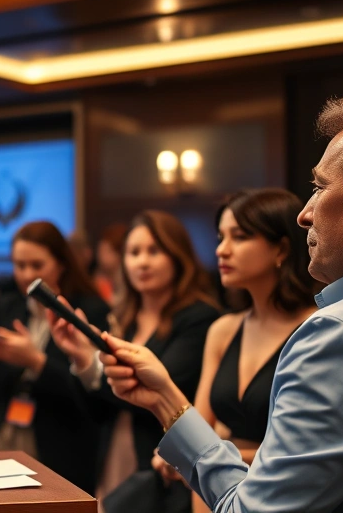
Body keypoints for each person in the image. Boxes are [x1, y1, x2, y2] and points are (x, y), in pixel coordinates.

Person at [97, 92, 343, 512]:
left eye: (320, 188)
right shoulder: (229, 327)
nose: (306, 212)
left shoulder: (341, 335)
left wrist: (166, 403)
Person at [150, 189, 318, 513]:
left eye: (239, 237)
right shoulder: (223, 330)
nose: (221, 250)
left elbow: (308, 450)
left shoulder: (317, 329)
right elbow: (200, 429)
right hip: (217, 492)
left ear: (282, 247)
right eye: (220, 237)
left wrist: (208, 453)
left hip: (284, 498)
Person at [51, 210, 220, 502]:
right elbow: (98, 411)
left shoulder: (199, 318)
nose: (142, 262)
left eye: (153, 251)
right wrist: (81, 358)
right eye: (133, 252)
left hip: (162, 462)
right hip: (112, 453)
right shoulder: (123, 320)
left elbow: (150, 394)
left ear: (177, 256)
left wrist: (93, 363)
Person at [0, 221, 111, 494]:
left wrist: (36, 362)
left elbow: (91, 396)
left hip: (62, 441)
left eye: (37, 266)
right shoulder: (7, 306)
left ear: (61, 264)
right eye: (19, 265)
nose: (27, 275)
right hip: (7, 431)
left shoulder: (86, 311)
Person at [94, 223, 129, 305]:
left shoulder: (127, 277)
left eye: (106, 251)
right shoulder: (100, 275)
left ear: (120, 253)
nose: (100, 255)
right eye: (100, 251)